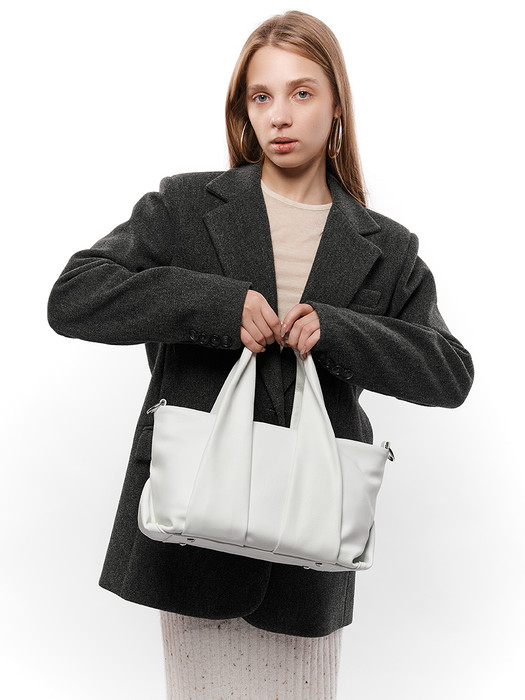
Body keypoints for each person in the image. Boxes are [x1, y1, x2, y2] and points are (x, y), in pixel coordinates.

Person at [47, 9, 475, 699]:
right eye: (261, 96)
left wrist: (338, 331)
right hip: (192, 534)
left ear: (336, 105)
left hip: (308, 555)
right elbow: (73, 296)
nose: (280, 115)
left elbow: (449, 373)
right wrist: (215, 305)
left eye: (302, 92)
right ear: (244, 111)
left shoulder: (387, 247)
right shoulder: (185, 207)